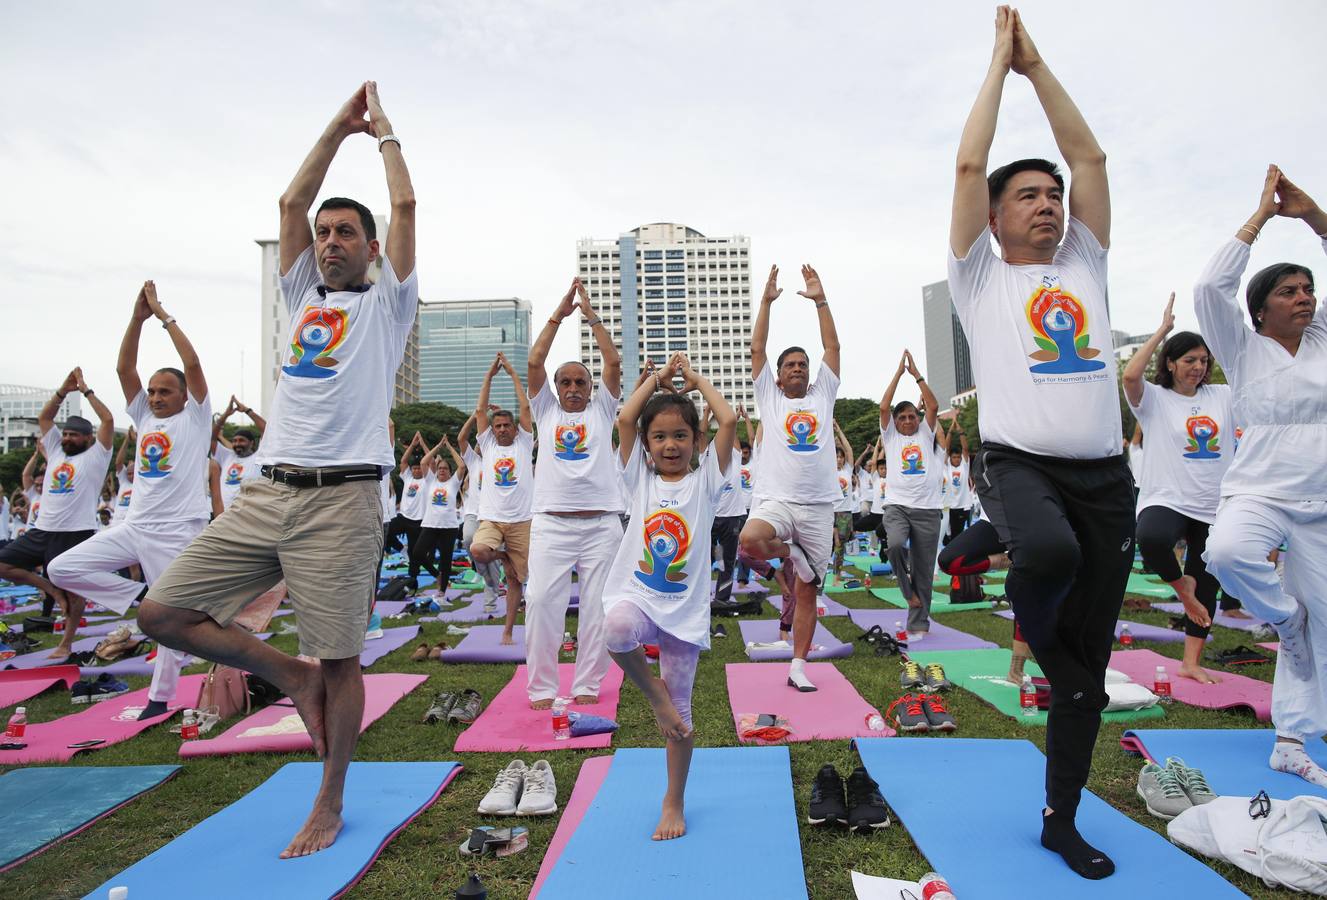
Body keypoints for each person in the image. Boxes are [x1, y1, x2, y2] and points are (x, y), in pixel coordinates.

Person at [135, 81, 417, 858]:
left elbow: (408, 210)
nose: (329, 240)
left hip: (344, 497)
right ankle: (285, 675)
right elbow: (291, 198)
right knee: (160, 614)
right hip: (267, 492)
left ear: (369, 247)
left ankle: (328, 798)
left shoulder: (387, 305)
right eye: (324, 233)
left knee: (343, 659)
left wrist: (382, 133)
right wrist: (338, 124)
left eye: (345, 233)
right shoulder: (300, 293)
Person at [948, 8, 1132, 879]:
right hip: (1020, 466)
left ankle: (1061, 819)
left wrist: (1041, 67)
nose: (1049, 206)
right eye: (1028, 196)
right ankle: (992, 546)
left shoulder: (1085, 264)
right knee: (1045, 547)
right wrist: (997, 65)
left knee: (1086, 682)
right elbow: (967, 163)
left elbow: (1089, 159)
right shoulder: (978, 274)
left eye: (1052, 197)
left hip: (1105, 477)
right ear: (992, 219)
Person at [1198, 165, 1327, 787]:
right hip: (1259, 491)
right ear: (1258, 311)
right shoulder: (1242, 348)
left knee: (1323, 623)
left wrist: (1311, 216)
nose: (1304, 297)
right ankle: (1283, 618)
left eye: (1308, 288)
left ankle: (1291, 741)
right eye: (1289, 291)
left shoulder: (1323, 340)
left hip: (1322, 501)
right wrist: (1260, 218)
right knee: (1225, 552)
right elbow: (1209, 287)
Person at [50, 282, 213, 712]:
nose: (155, 397)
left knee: (170, 624)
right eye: (153, 392)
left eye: (165, 391)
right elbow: (125, 369)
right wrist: (135, 319)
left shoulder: (195, 418)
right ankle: (137, 599)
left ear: (184, 396)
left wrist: (161, 314)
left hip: (177, 532)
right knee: (62, 567)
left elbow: (191, 362)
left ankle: (159, 699)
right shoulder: (143, 414)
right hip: (134, 526)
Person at [604, 351, 736, 841]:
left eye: (680, 435)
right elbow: (623, 416)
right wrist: (659, 379)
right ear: (647, 444)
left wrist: (693, 380)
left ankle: (673, 800)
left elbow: (726, 418)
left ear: (695, 440)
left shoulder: (707, 481)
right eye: (659, 436)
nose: (670, 445)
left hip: (683, 612)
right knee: (615, 631)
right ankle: (653, 696)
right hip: (637, 595)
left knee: (682, 720)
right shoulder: (638, 477)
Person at [522, 279, 626, 708]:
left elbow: (614, 362)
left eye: (579, 381)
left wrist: (592, 317)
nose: (572, 388)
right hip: (551, 524)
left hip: (602, 524)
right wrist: (558, 316)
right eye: (564, 382)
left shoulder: (603, 409)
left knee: (597, 609)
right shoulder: (544, 410)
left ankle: (586, 684)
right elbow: (534, 361)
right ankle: (543, 688)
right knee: (542, 603)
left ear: (590, 387)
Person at [738, 264, 841, 693]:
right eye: (790, 365)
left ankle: (798, 664)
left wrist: (820, 299)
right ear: (779, 376)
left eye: (803, 364)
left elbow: (832, 345)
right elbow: (757, 348)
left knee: (807, 591)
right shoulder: (770, 398)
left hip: (818, 506)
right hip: (777, 499)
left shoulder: (823, 395)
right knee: (749, 539)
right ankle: (791, 548)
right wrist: (765, 302)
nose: (798, 369)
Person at [1123, 293, 1233, 684]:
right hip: (1166, 497)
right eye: (1189, 360)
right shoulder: (1154, 399)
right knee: (1151, 539)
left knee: (1208, 582)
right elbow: (1131, 377)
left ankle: (1191, 661)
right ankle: (1180, 588)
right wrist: (1162, 331)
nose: (1198, 368)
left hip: (1212, 502)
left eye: (1203, 361)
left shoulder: (1222, 396)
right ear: (1170, 363)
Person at [0, 369, 113, 656]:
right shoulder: (56, 451)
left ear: (88, 438)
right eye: (65, 433)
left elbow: (108, 420)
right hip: (43, 529)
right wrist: (63, 391)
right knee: (4, 565)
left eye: (73, 435)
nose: (66, 438)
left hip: (76, 532)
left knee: (74, 592)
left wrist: (86, 391)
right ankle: (51, 590)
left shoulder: (97, 455)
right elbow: (45, 418)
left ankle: (66, 644)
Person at [468, 352, 534, 646]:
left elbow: (524, 405)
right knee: (478, 550)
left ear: (515, 428)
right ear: (492, 430)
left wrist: (512, 373)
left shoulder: (523, 441)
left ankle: (507, 630)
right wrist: (489, 376)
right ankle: (504, 556)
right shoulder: (488, 445)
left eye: (507, 425)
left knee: (517, 580)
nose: (503, 429)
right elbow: (481, 410)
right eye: (498, 426)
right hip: (492, 519)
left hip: (522, 521)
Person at [879, 350, 944, 640]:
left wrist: (916, 374)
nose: (907, 421)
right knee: (893, 545)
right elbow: (883, 406)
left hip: (928, 509)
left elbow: (933, 405)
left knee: (924, 567)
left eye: (911, 416)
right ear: (895, 422)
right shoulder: (890, 436)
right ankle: (908, 593)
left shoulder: (925, 434)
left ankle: (918, 623)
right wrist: (898, 372)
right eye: (902, 417)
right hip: (897, 507)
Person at [457, 412, 504, 611]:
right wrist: (476, 416)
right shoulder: (474, 461)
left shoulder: (502, 457)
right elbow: (461, 438)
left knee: (491, 560)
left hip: (494, 516)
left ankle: (490, 601)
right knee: (468, 539)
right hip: (473, 514)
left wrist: (499, 416)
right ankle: (481, 571)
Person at [701, 405, 747, 606]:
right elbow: (701, 435)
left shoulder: (735, 457)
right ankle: (700, 597)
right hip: (710, 517)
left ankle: (721, 598)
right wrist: (705, 414)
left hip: (732, 517)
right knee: (705, 560)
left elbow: (730, 428)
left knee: (727, 562)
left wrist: (732, 418)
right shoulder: (706, 457)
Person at [388, 432, 430, 588]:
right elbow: (403, 461)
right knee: (386, 531)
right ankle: (401, 548)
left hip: (419, 521)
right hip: (404, 517)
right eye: (415, 468)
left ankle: (412, 582)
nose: (417, 470)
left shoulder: (427, 480)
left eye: (419, 468)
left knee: (415, 554)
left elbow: (430, 460)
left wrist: (423, 443)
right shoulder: (407, 477)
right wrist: (412, 445)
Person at [211, 396, 268, 512]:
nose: (237, 444)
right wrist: (225, 415)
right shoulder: (226, 456)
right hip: (224, 518)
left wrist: (247, 411)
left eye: (241, 440)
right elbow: (212, 438)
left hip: (249, 517)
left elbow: (266, 430)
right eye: (234, 441)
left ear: (251, 443)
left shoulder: (259, 457)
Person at [830, 421, 856, 584]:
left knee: (840, 545)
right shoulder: (827, 470)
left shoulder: (847, 470)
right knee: (828, 545)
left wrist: (839, 431)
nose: (839, 459)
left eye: (841, 457)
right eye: (836, 457)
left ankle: (837, 575)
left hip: (845, 513)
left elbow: (849, 450)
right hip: (829, 512)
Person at [940, 419, 974, 545]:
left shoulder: (964, 466)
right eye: (954, 457)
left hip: (962, 506)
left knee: (956, 537)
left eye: (958, 457)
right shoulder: (947, 466)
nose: (957, 459)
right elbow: (946, 448)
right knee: (945, 538)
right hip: (948, 507)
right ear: (950, 458)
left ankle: (954, 561)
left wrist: (960, 432)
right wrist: (949, 431)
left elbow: (965, 448)